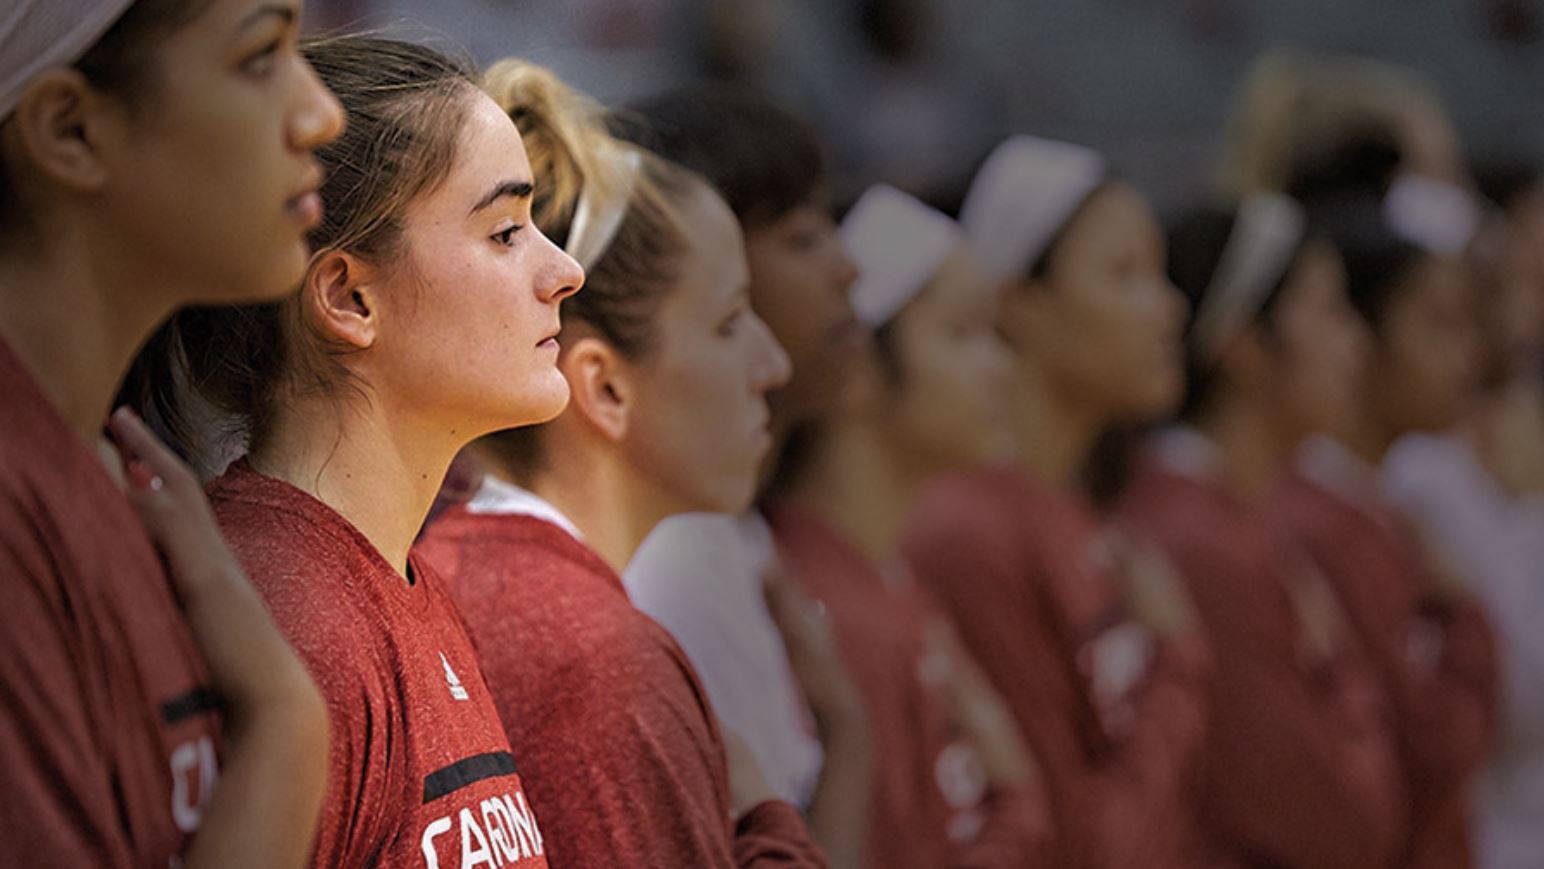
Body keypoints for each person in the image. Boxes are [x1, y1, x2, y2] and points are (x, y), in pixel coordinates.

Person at [130, 35, 582, 867]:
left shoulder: (398, 583)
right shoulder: (293, 617)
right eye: (507, 232)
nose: (566, 272)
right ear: (347, 296)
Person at [415, 61, 827, 867]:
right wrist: (769, 819)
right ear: (603, 385)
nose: (772, 362)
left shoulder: (466, 572)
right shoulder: (598, 663)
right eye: (730, 321)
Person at [0, 1, 343, 865]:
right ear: (71, 129)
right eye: (261, 56)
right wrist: (287, 728)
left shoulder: (128, 473)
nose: (320, 113)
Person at [902, 135, 1210, 869]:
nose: (1169, 307)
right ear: (1018, 303)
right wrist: (1179, 663)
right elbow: (1078, 844)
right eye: (1125, 272)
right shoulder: (968, 532)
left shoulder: (1074, 508)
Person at [615, 84, 873, 868]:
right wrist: (853, 740)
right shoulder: (676, 560)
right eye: (800, 240)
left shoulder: (733, 528)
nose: (849, 269)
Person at [1119, 191, 1405, 869]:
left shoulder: (1235, 513)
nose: (1356, 341)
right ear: (1245, 344)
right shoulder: (1199, 541)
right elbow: (1334, 824)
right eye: (1329, 309)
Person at [766, 184, 1049, 868]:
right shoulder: (836, 613)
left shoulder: (882, 577)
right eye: (961, 332)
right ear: (858, 367)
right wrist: (1019, 799)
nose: (1002, 365)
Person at [1277, 136, 1499, 869]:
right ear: (1362, 335)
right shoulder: (1322, 519)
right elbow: (1436, 745)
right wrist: (1464, 612)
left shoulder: (1376, 503)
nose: (1466, 356)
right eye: (1437, 325)